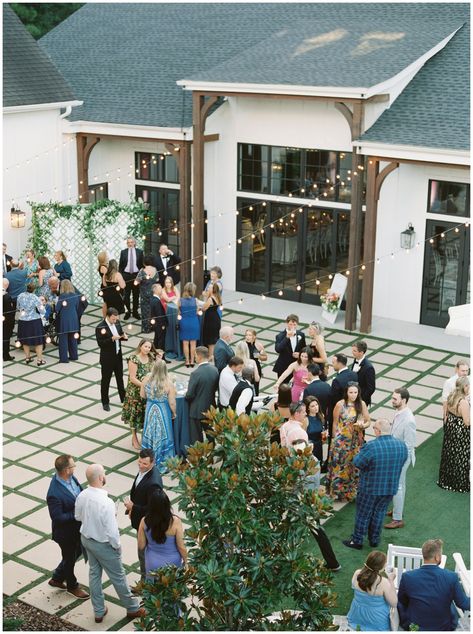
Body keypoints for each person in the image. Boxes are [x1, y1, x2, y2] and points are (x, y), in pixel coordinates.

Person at [74, 464, 145, 623]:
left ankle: (98, 611)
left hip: (86, 539)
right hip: (103, 544)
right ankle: (133, 608)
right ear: (101, 478)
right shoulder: (106, 503)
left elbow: (77, 517)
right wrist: (117, 546)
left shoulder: (82, 495)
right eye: (104, 474)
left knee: (94, 573)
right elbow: (112, 533)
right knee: (118, 577)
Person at [343, 419, 407, 550]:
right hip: (389, 488)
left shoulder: (371, 446)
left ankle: (357, 540)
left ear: (378, 431)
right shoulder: (401, 446)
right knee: (379, 513)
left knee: (363, 514)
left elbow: (357, 463)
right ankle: (374, 540)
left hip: (369, 488)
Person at [397, 538, 470, 631]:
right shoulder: (451, 577)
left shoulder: (407, 576)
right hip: (443, 628)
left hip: (415, 628)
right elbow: (464, 603)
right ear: (437, 557)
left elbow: (401, 601)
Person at [46, 455, 89, 600]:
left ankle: (57, 578)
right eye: (73, 466)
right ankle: (72, 586)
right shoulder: (54, 494)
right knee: (70, 559)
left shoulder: (71, 478)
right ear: (66, 470)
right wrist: (77, 514)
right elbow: (57, 518)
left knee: (75, 553)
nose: (74, 468)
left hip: (76, 529)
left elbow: (79, 492)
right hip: (66, 534)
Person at [124, 449, 163, 586]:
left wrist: (133, 508)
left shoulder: (153, 483)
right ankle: (146, 581)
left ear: (152, 463)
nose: (140, 465)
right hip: (139, 519)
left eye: (144, 464)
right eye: (139, 462)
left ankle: (147, 584)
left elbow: (153, 509)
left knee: (144, 554)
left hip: (148, 525)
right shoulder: (144, 472)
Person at [327, 382, 370, 501]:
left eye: (355, 392)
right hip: (341, 440)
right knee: (340, 465)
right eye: (351, 392)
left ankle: (352, 493)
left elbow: (368, 421)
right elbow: (335, 423)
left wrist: (362, 425)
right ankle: (337, 492)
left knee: (354, 466)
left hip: (355, 441)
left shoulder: (362, 404)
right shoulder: (340, 404)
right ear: (346, 392)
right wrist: (333, 440)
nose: (353, 395)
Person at [137, 489, 187, 580]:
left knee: (153, 591)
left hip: (152, 563)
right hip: (172, 564)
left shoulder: (144, 521)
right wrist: (187, 562)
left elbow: (141, 546)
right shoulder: (175, 522)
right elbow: (181, 546)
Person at [384, 387, 416, 530]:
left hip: (402, 457)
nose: (392, 400)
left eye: (395, 399)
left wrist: (401, 461)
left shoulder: (409, 420)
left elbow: (409, 445)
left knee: (398, 486)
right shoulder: (399, 412)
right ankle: (397, 510)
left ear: (403, 400)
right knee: (400, 485)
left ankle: (398, 519)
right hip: (397, 455)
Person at [323, 353, 357, 472]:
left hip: (339, 412)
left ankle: (331, 461)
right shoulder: (353, 374)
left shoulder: (337, 380)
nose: (332, 364)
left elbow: (332, 398)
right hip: (352, 411)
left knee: (337, 437)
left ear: (339, 363)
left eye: (333, 362)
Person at [347, 550, 397, 631]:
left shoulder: (357, 573)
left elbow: (355, 586)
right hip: (376, 621)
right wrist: (391, 580)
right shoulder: (384, 582)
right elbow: (394, 603)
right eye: (385, 563)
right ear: (380, 567)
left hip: (356, 616)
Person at [141, 359, 176, 473]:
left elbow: (142, 395)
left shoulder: (146, 379)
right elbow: (172, 402)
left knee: (150, 432)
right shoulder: (168, 383)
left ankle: (147, 458)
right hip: (162, 410)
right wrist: (174, 413)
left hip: (150, 408)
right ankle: (162, 459)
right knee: (163, 433)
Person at [438, 375, 470, 493]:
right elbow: (467, 422)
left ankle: (448, 480)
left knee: (451, 454)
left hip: (451, 429)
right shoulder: (463, 402)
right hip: (461, 432)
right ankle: (460, 482)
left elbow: (446, 411)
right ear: (465, 387)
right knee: (462, 456)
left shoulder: (452, 396)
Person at [122, 339, 156, 449]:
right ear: (140, 346)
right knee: (134, 415)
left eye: (149, 347)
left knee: (144, 415)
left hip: (147, 391)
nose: (147, 349)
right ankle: (134, 437)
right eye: (145, 346)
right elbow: (132, 378)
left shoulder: (151, 358)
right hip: (135, 392)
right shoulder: (134, 359)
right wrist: (144, 385)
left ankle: (145, 436)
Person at [95, 307, 127, 411]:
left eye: (116, 319)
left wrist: (124, 337)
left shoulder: (117, 324)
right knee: (106, 381)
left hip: (117, 356)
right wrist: (111, 339)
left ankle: (123, 398)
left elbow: (120, 334)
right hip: (107, 358)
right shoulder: (100, 327)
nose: (115, 321)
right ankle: (105, 402)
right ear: (108, 316)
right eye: (113, 319)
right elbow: (101, 344)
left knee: (120, 378)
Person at [185, 346, 219, 444]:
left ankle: (199, 456)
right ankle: (212, 453)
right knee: (210, 434)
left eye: (195, 355)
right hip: (210, 408)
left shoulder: (195, 373)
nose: (194, 357)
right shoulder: (215, 370)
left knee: (196, 437)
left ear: (199, 356)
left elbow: (190, 394)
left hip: (196, 410)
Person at [17, 282, 46, 365]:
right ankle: (39, 360)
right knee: (38, 341)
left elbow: (18, 307)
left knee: (25, 340)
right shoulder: (35, 298)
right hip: (34, 321)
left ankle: (27, 357)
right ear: (34, 289)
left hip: (23, 321)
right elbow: (42, 310)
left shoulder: (20, 296)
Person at [273, 314, 306, 379]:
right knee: (283, 387)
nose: (292, 326)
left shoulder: (301, 334)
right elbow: (277, 349)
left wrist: (300, 354)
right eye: (290, 324)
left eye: (294, 325)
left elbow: (304, 348)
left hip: (297, 365)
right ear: (287, 323)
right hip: (284, 366)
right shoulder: (280, 335)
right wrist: (287, 337)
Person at [55, 279, 80, 363]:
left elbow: (57, 308)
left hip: (64, 320)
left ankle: (64, 358)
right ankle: (74, 355)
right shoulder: (75, 295)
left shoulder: (62, 296)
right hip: (74, 318)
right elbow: (77, 307)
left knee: (63, 340)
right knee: (73, 338)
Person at [119, 236, 143, 320]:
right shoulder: (123, 252)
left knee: (136, 295)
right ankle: (128, 312)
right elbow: (121, 266)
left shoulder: (140, 252)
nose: (130, 244)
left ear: (134, 243)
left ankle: (135, 312)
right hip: (126, 275)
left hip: (136, 276)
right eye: (128, 242)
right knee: (126, 295)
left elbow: (142, 266)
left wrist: (140, 276)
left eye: (131, 242)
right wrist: (121, 277)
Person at [178, 282, 200, 367]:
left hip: (184, 322)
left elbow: (178, 312)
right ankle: (192, 361)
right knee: (193, 343)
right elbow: (197, 312)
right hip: (194, 322)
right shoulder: (196, 300)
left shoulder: (180, 301)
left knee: (185, 343)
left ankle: (187, 361)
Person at [135, 255, 160, 333]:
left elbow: (136, 282)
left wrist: (142, 279)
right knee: (153, 311)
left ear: (144, 262)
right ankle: (154, 327)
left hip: (144, 295)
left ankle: (146, 328)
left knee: (145, 312)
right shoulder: (155, 270)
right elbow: (157, 279)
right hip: (153, 293)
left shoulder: (142, 271)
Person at [351, 340, 376, 407]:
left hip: (361, 400)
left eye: (354, 351)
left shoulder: (369, 368)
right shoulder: (355, 360)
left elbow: (371, 388)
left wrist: (360, 400)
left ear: (361, 352)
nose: (352, 352)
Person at [201, 282, 222, 360]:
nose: (208, 289)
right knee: (214, 337)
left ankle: (210, 356)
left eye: (209, 288)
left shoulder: (210, 299)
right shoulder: (218, 297)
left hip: (211, 319)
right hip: (216, 318)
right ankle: (212, 355)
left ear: (213, 290)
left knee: (210, 340)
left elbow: (204, 308)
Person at [244, 328, 267, 396]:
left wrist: (259, 356)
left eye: (249, 335)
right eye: (246, 335)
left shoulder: (259, 345)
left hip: (256, 367)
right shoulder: (243, 345)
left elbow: (265, 358)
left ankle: (255, 400)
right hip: (246, 368)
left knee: (256, 387)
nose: (247, 337)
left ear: (254, 336)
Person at [304, 396, 326, 462]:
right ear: (308, 408)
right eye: (312, 406)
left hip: (319, 445)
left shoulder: (321, 416)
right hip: (310, 446)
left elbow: (322, 433)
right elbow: (303, 435)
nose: (316, 407)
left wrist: (324, 435)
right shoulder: (305, 419)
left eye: (317, 405)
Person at [149, 284, 168, 356]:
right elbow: (159, 315)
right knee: (161, 341)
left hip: (156, 324)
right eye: (160, 288)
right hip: (160, 325)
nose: (161, 290)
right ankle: (161, 356)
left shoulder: (153, 299)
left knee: (156, 339)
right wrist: (163, 325)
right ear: (155, 290)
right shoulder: (156, 301)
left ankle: (155, 354)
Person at [3, 278, 15, 361]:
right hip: (6, 322)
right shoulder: (6, 297)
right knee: (5, 338)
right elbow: (10, 312)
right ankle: (5, 355)